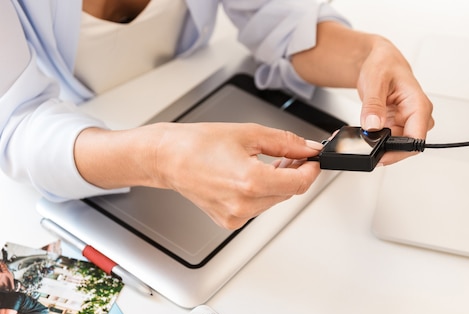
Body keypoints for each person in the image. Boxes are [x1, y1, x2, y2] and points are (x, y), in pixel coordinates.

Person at [0, 0, 434, 230]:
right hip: (89, 168)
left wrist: (366, 55)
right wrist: (158, 156)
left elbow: (272, 11)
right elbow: (14, 124)